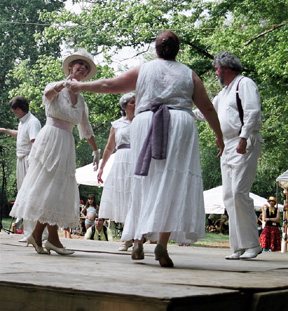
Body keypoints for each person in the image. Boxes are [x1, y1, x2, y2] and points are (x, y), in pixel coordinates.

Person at [67, 30, 224, 267]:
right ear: (177, 50)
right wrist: (219, 136)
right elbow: (208, 109)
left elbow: (110, 84)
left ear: (156, 48)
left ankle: (138, 238)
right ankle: (161, 244)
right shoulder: (189, 74)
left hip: (146, 121)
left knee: (144, 180)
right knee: (173, 183)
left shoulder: (145, 69)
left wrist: (81, 86)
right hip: (179, 123)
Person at [9, 49, 100, 255]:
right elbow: (47, 95)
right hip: (50, 139)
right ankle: (50, 238)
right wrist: (64, 84)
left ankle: (46, 237)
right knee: (48, 186)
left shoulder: (81, 100)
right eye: (80, 66)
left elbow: (85, 127)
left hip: (66, 143)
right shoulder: (55, 86)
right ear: (70, 68)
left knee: (58, 189)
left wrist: (96, 150)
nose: (83, 69)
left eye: (86, 68)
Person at [194, 51, 263, 260]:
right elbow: (204, 112)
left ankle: (252, 244)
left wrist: (243, 138)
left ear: (225, 68)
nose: (216, 73)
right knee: (228, 196)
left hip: (244, 141)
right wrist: (178, 108)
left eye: (216, 69)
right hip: (227, 145)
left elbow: (252, 111)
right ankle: (239, 246)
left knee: (239, 192)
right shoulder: (223, 94)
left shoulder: (245, 84)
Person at [0, 96, 42, 242]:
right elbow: (21, 135)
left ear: (18, 109)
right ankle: (29, 232)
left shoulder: (33, 122)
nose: (13, 113)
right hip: (22, 160)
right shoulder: (24, 122)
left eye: (13, 110)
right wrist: (5, 130)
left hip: (29, 162)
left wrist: (32, 167)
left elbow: (36, 144)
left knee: (31, 196)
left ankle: (36, 234)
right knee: (24, 196)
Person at [97, 93, 135, 251]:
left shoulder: (143, 121)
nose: (136, 104)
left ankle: (136, 236)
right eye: (133, 102)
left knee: (136, 196)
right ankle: (127, 238)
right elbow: (109, 147)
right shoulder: (117, 124)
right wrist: (101, 167)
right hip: (121, 160)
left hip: (138, 158)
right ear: (125, 106)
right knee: (123, 197)